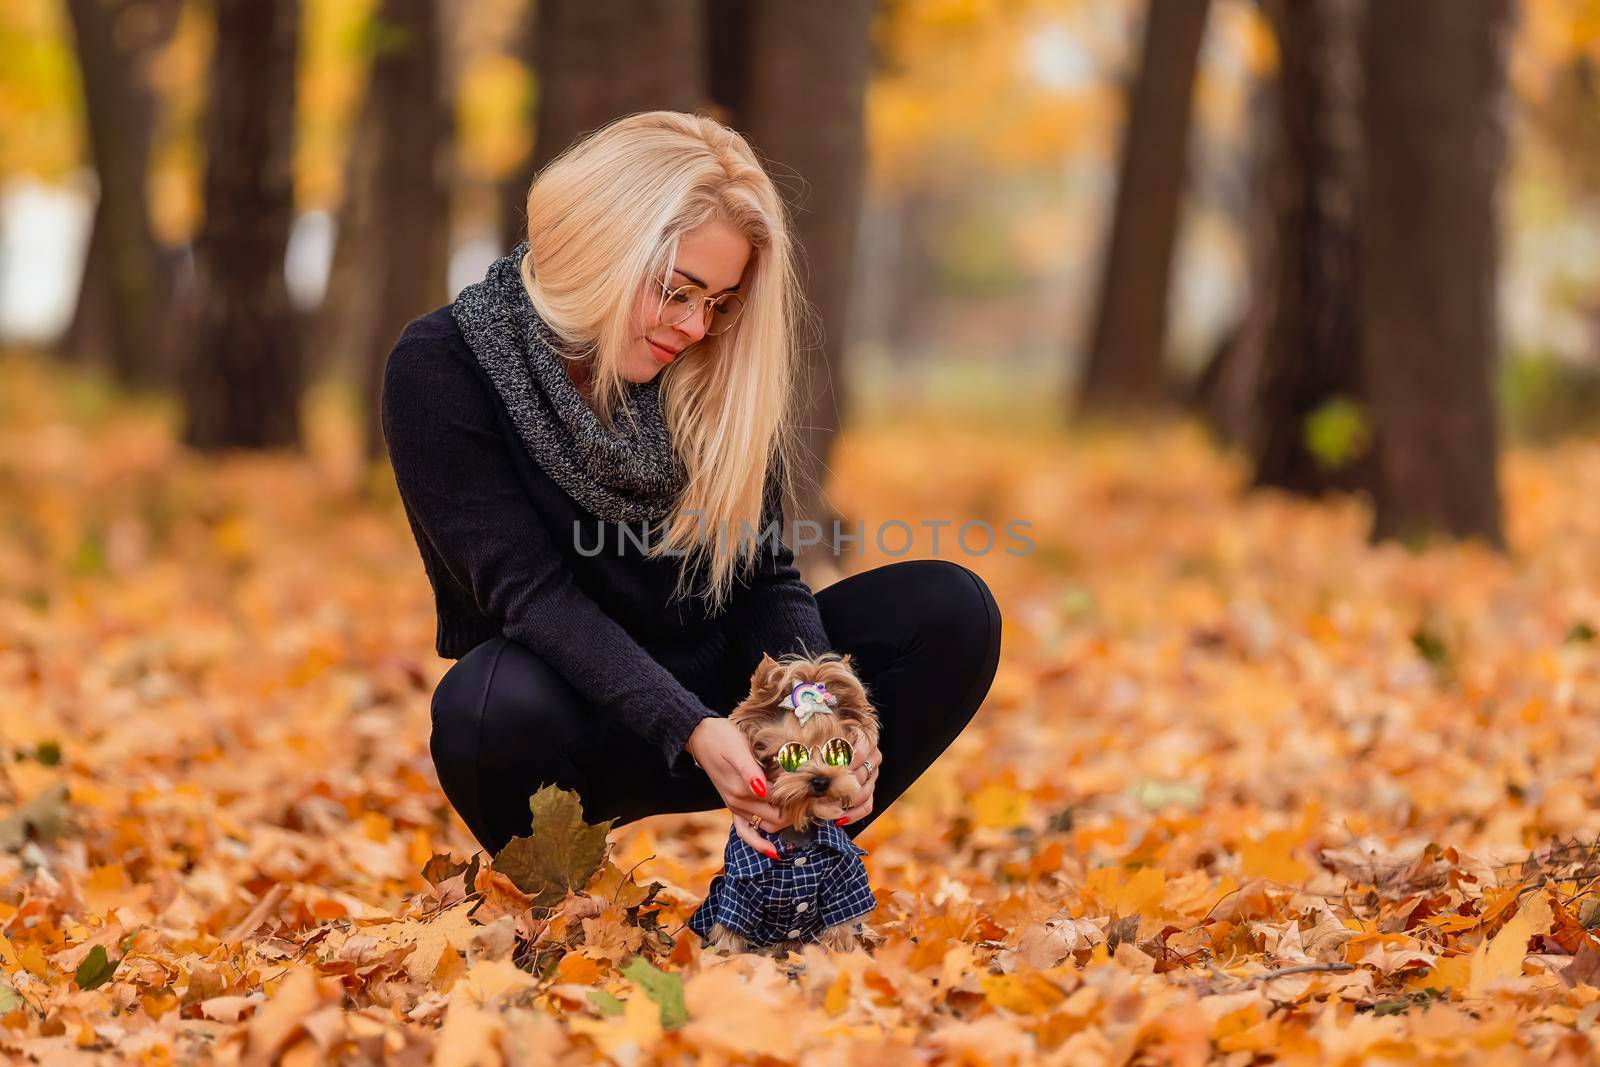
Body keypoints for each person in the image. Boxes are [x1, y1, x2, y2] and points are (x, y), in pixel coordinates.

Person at [380, 110, 1001, 862]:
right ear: (603, 247)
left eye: (719, 302)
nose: (696, 327)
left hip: (727, 692)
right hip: (567, 711)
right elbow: (529, 594)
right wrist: (690, 728)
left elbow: (763, 578)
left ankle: (790, 871)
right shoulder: (443, 365)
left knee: (949, 609)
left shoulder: (714, 375)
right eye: (678, 291)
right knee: (482, 707)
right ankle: (558, 910)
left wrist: (815, 719)